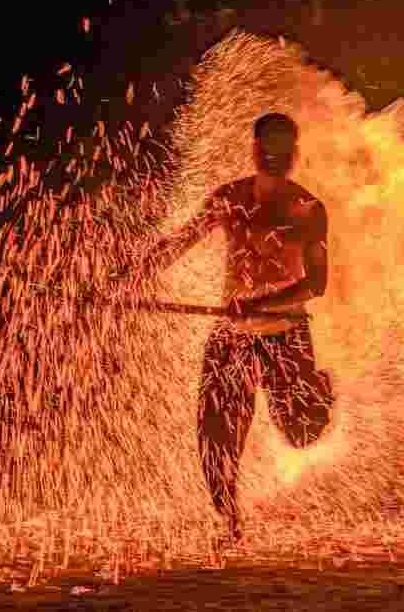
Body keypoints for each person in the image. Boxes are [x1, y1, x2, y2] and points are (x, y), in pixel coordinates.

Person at [113, 113, 334, 541]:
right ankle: (231, 520)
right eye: (267, 146)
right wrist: (130, 277)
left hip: (285, 336)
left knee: (302, 434)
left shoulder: (307, 209)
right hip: (231, 336)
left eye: (283, 148)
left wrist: (259, 303)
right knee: (215, 431)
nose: (274, 155)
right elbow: (179, 241)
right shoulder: (229, 198)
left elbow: (317, 284)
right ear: (254, 149)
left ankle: (321, 390)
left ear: (294, 155)